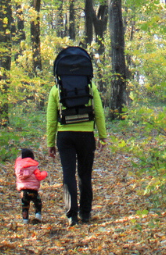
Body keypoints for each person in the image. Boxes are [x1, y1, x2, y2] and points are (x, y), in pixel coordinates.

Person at [46, 79, 108, 226]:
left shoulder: (56, 88)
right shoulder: (90, 87)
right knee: (85, 174)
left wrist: (50, 143)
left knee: (68, 174)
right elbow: (98, 112)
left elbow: (51, 119)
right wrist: (102, 136)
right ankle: (85, 213)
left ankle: (71, 215)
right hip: (86, 135)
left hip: (65, 136)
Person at [13, 148, 48, 224]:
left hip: (23, 191)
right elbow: (39, 176)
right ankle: (37, 215)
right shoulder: (33, 167)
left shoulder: (19, 169)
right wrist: (44, 173)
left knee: (25, 206)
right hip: (33, 190)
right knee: (37, 203)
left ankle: (25, 220)